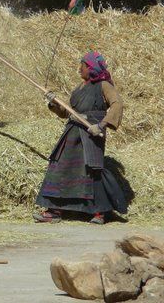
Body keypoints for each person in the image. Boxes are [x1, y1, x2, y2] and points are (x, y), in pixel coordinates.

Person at [33, 51, 126, 225]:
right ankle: (54, 211)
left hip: (91, 133)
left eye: (82, 66)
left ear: (90, 68)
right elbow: (66, 113)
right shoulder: (79, 88)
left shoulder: (104, 85)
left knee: (91, 171)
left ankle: (99, 213)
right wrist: (53, 102)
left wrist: (100, 125)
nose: (79, 70)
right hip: (72, 132)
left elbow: (117, 104)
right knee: (59, 167)